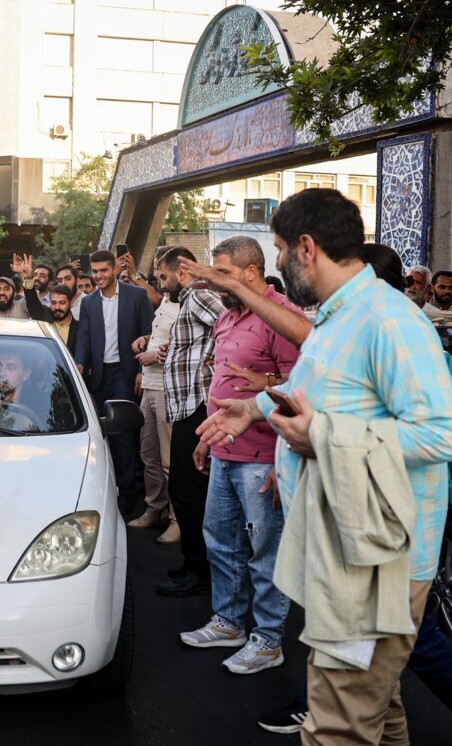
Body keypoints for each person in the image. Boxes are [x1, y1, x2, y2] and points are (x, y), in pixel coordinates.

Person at [198, 188, 452, 745]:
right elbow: (309, 390)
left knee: (335, 725)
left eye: (277, 249)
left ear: (306, 247)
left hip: (374, 563)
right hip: (345, 552)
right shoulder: (337, 318)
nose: (274, 264)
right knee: (380, 713)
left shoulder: (389, 320)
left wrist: (321, 434)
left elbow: (442, 434)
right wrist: (254, 408)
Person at [178, 236, 302, 675]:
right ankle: (229, 622)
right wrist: (207, 438)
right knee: (221, 541)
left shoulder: (284, 318)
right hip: (225, 452)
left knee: (264, 550)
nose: (217, 283)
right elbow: (224, 385)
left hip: (263, 458)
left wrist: (283, 461)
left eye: (224, 273)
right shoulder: (229, 317)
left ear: (251, 272)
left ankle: (268, 640)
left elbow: (301, 387)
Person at [155, 246, 225, 597]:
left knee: (188, 492)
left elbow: (228, 323)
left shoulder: (198, 294)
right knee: (187, 491)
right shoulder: (191, 300)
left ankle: (199, 570)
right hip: (187, 407)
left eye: (163, 277)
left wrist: (212, 361)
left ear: (181, 272)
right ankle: (193, 564)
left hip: (196, 406)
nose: (161, 283)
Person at [73, 249, 154, 518]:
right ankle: (102, 494)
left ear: (114, 269)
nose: (98, 276)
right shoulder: (89, 302)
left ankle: (128, 498)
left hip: (126, 373)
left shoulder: (137, 296)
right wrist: (79, 365)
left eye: (103, 271)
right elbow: (83, 338)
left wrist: (142, 370)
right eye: (94, 272)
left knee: (123, 436)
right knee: (98, 437)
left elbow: (149, 334)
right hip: (98, 376)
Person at [126, 249, 180, 543]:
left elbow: (184, 347)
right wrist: (145, 340)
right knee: (148, 454)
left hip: (167, 389)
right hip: (149, 386)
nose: (158, 279)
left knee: (169, 459)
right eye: (157, 274)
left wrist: (153, 355)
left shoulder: (187, 304)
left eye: (162, 274)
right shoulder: (167, 301)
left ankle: (176, 518)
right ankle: (154, 508)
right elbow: (160, 337)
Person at [46, 284, 78, 352]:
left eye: (62, 303)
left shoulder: (80, 329)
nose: (57, 307)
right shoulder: (45, 323)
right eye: (53, 303)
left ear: (71, 303)